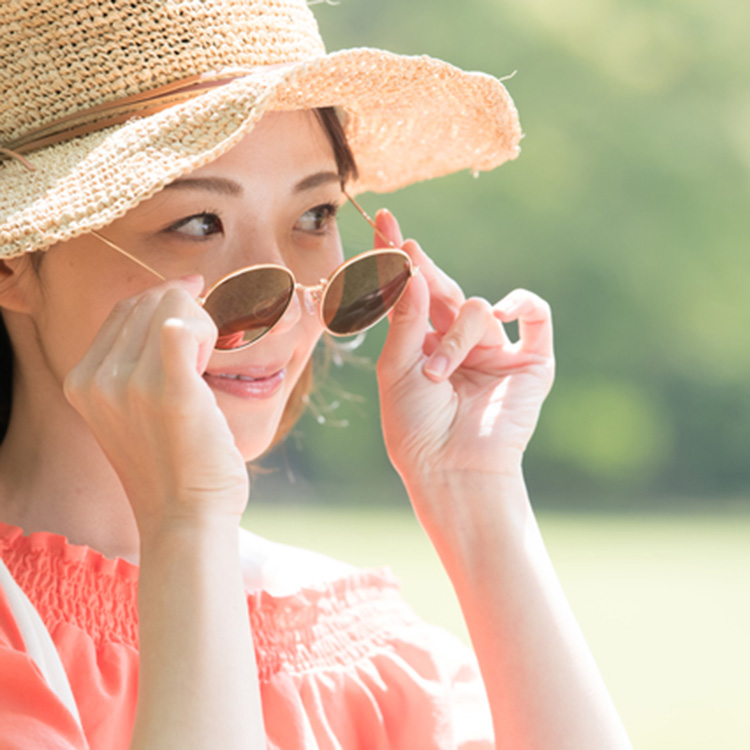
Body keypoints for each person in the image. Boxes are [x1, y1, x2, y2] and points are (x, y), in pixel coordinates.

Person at [0, 0, 632, 748]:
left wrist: (476, 496)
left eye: (316, 214)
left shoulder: (366, 654)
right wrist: (186, 522)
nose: (292, 295)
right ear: (14, 261)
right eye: (198, 223)